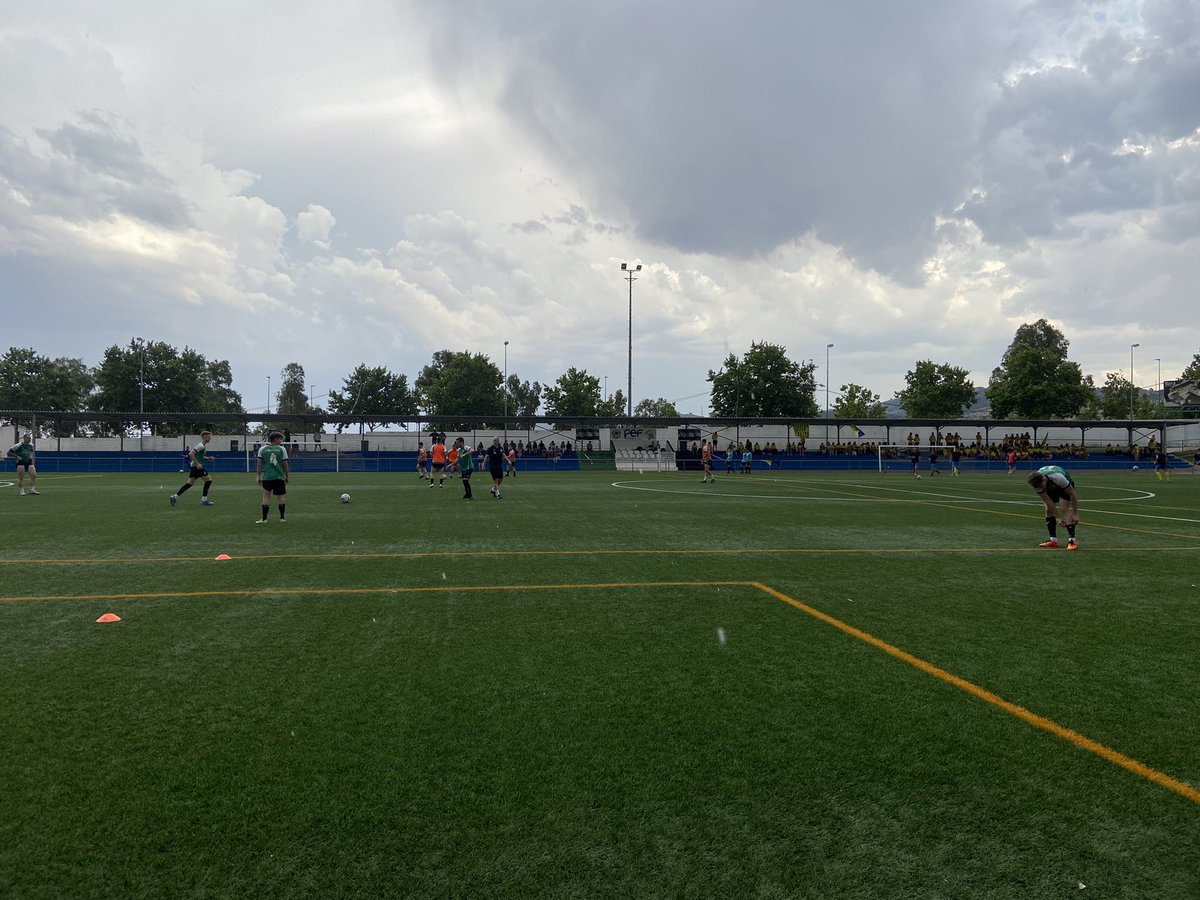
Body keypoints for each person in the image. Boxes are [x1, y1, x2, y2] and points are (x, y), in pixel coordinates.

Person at [1028, 465, 1079, 549]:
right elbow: (1048, 501)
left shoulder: (1058, 478)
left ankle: (1072, 541)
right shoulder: (1036, 484)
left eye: (1041, 486)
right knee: (1048, 509)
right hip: (1050, 483)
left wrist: (1075, 513)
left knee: (1064, 508)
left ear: (1044, 479)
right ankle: (1053, 540)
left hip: (1063, 485)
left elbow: (1073, 495)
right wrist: (1058, 517)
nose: (1040, 488)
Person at [170, 430, 215, 507]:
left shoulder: (202, 446)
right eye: (208, 437)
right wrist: (197, 464)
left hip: (194, 467)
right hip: (197, 467)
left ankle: (175, 496)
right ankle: (204, 499)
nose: (210, 438)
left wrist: (207, 458)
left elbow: (198, 455)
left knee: (189, 484)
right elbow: (191, 454)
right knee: (208, 480)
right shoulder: (201, 445)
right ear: (204, 437)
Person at [255, 431, 290, 523]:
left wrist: (258, 476)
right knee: (281, 497)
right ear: (275, 439)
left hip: (267, 477)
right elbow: (285, 464)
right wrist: (287, 476)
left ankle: (264, 519)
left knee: (266, 496)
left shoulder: (262, 449)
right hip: (279, 477)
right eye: (280, 439)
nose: (281, 441)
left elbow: (259, 464)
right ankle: (282, 518)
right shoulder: (282, 449)